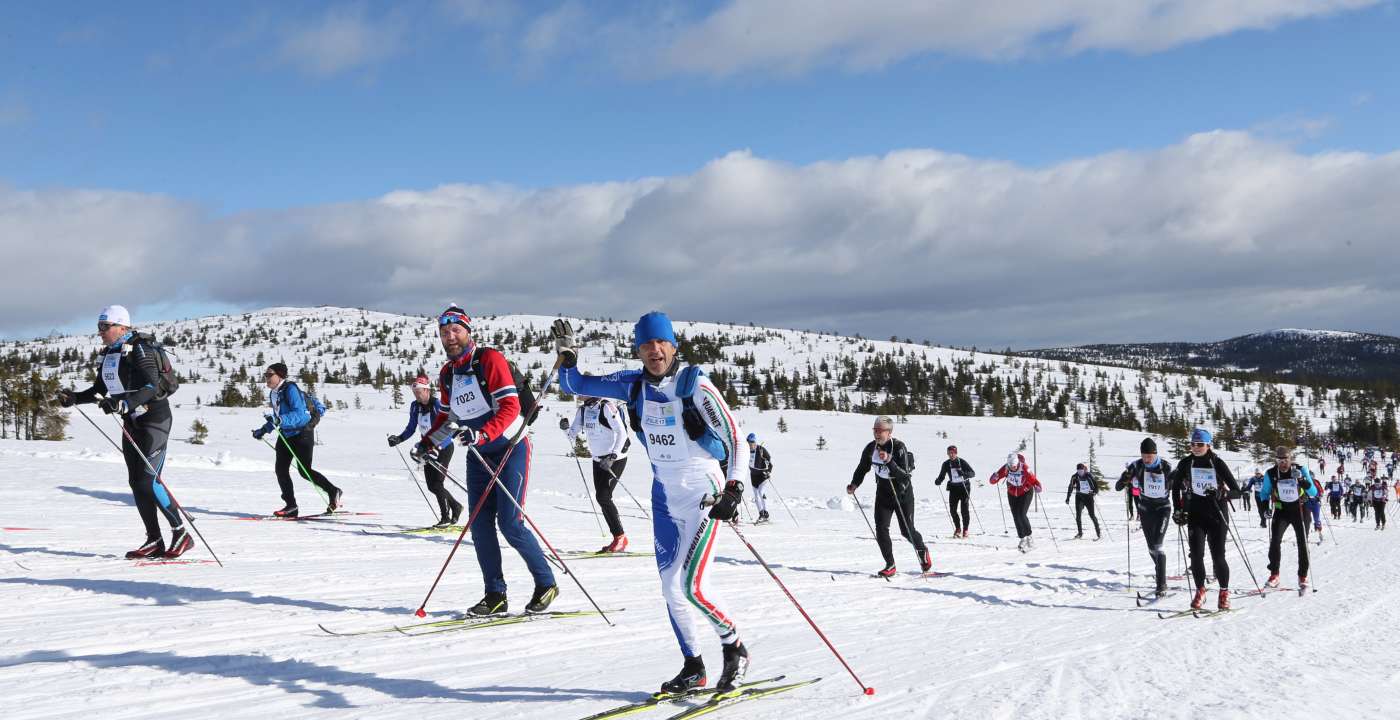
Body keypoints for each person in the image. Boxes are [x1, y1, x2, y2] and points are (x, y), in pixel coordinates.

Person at [553, 313, 753, 694]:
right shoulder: (633, 385)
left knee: (693, 586)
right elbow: (574, 383)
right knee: (669, 588)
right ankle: (694, 666)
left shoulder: (695, 386)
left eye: (660, 343)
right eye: (646, 345)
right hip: (664, 497)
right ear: (639, 349)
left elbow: (736, 438)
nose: (654, 350)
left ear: (673, 346)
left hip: (703, 494)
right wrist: (568, 356)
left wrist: (734, 488)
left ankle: (735, 648)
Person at [415, 306, 557, 616]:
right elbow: (450, 419)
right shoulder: (447, 373)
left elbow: (510, 407)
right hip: (479, 455)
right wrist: (428, 443)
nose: (450, 337)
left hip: (510, 448)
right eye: (443, 332)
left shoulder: (489, 359)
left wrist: (482, 434)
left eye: (455, 330)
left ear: (468, 331)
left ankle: (546, 583)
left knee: (510, 523)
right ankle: (495, 595)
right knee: (479, 527)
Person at [58, 305, 190, 559]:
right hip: (132, 421)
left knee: (148, 480)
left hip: (154, 419)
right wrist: (74, 397)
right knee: (136, 482)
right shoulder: (110, 353)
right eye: (99, 327)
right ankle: (154, 540)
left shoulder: (139, 348)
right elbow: (98, 389)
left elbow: (151, 385)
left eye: (105, 327)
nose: (100, 332)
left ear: (122, 327)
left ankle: (181, 532)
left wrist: (124, 403)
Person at [252, 362, 342, 518]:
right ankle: (291, 506)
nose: (266, 378)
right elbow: (278, 417)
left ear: (279, 375)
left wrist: (279, 421)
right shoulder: (274, 393)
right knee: (281, 470)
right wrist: (264, 429)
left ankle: (333, 491)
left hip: (302, 433)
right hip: (286, 435)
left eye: (269, 375)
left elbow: (300, 415)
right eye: (265, 375)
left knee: (305, 471)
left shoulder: (290, 389)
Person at [847, 416, 932, 577]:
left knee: (907, 531)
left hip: (902, 493)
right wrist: (854, 484)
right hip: (883, 493)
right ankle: (890, 564)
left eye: (880, 431)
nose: (877, 434)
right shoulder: (870, 448)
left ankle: (921, 549)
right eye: (875, 430)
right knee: (881, 529)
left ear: (889, 432)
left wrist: (889, 461)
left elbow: (904, 475)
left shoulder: (899, 447)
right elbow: (862, 468)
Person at [1169, 428, 1242, 611]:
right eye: (1193, 444)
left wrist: (1221, 493)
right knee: (1196, 555)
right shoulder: (1186, 462)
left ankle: (1224, 592)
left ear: (1209, 445)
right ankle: (1200, 591)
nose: (1195, 447)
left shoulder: (1217, 462)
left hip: (1217, 514)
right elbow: (1175, 487)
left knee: (1218, 557)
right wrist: (1178, 510)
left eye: (1200, 444)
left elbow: (1237, 491)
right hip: (1195, 513)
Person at [388, 374, 461, 526]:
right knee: (431, 486)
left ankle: (445, 517)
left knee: (437, 484)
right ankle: (456, 506)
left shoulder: (437, 405)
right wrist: (399, 439)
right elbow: (411, 427)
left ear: (427, 390)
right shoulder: (415, 407)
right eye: (415, 392)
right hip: (426, 448)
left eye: (419, 391)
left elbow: (447, 429)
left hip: (444, 447)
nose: (417, 395)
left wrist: (437, 447)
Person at [563, 396, 633, 551]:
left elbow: (622, 433)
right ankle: (618, 538)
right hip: (597, 459)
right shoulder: (583, 410)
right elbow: (571, 436)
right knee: (601, 498)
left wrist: (613, 456)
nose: (579, 395)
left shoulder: (606, 407)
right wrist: (565, 428)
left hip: (615, 458)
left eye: (582, 392)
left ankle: (620, 538)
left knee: (604, 496)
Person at [1116, 438, 1173, 597]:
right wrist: (1125, 478)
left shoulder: (1166, 466)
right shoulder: (1136, 465)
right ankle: (1160, 571)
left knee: (1158, 545)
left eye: (1150, 456)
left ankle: (1161, 585)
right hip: (1145, 509)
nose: (1147, 459)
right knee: (1151, 548)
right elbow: (1118, 487)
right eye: (1144, 456)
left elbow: (1177, 484)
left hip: (1162, 508)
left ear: (1156, 454)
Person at [1260, 447, 1316, 592]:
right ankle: (1274, 575)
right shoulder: (1271, 473)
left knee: (1302, 542)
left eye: (1286, 460)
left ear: (1290, 459)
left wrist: (1302, 479)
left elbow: (1313, 492)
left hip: (1300, 509)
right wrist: (1265, 508)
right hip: (1282, 510)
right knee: (1275, 540)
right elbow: (1264, 493)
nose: (1283, 463)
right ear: (1276, 460)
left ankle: (1302, 576)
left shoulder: (1300, 470)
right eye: (1280, 460)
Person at [989, 452, 1042, 552]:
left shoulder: (1024, 468)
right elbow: (994, 479)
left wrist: (1038, 486)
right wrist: (994, 478)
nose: (1013, 468)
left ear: (1017, 463)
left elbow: (1034, 480)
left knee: (1021, 514)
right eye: (1011, 466)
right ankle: (1022, 538)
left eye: (1014, 466)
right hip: (1012, 493)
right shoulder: (1006, 468)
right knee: (1015, 516)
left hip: (1025, 492)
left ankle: (1030, 537)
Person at [934, 445, 976, 538]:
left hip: (964, 487)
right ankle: (958, 529)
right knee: (953, 510)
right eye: (949, 453)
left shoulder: (962, 462)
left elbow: (972, 473)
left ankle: (965, 529)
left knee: (964, 509)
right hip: (953, 488)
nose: (951, 455)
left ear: (956, 453)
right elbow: (942, 475)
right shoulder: (946, 464)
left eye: (952, 453)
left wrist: (964, 474)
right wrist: (938, 481)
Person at [1065, 463, 1101, 540]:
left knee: (1092, 515)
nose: (1080, 472)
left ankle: (1098, 533)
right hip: (1079, 497)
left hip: (1088, 497)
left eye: (1081, 470)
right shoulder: (1074, 476)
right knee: (1078, 516)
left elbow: (1096, 486)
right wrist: (1068, 497)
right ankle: (1080, 533)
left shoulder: (1088, 475)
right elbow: (1070, 486)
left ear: (1084, 469)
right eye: (1078, 470)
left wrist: (1094, 492)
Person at [747, 433, 774, 523]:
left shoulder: (761, 450)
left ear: (755, 442)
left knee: (760, 492)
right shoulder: (746, 451)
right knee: (756, 495)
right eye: (749, 442)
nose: (750, 444)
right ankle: (761, 514)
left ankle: (765, 513)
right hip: (753, 475)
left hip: (763, 474)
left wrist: (769, 472)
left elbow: (770, 461)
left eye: (752, 442)